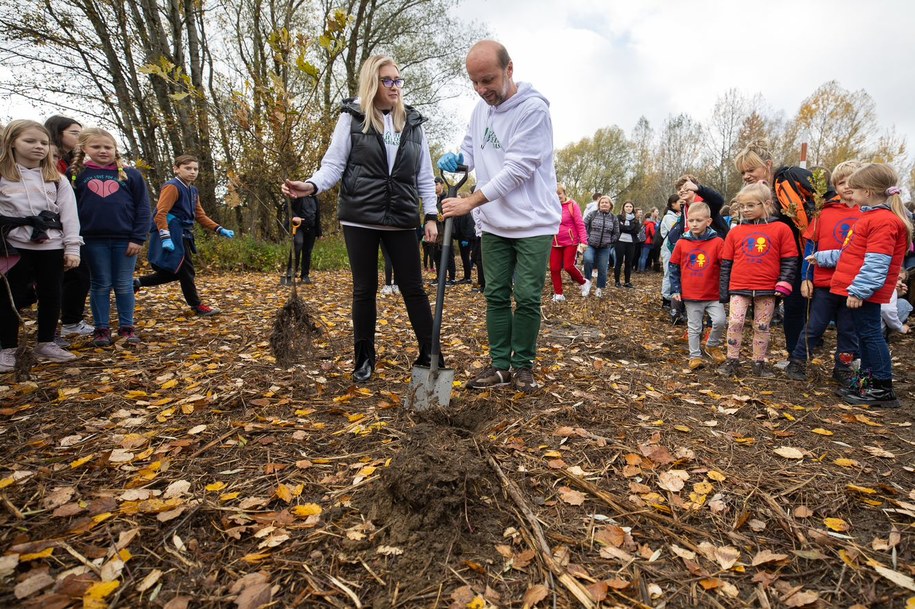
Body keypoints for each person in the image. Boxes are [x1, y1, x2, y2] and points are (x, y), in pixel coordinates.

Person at [281, 55, 440, 382]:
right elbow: (334, 165)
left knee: (413, 288)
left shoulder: (413, 123)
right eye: (388, 81)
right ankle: (364, 358)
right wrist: (310, 186)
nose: (395, 87)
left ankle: (430, 353)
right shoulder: (352, 118)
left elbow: (424, 174)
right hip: (360, 217)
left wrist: (431, 215)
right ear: (372, 84)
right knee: (364, 290)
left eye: (399, 80)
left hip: (401, 218)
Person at [438, 39, 560, 393]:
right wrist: (458, 160)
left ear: (509, 69)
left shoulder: (533, 110)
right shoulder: (481, 109)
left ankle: (522, 365)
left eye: (488, 80)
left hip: (533, 221)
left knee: (526, 294)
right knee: (494, 294)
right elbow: (470, 149)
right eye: (474, 82)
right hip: (494, 222)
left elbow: (517, 169)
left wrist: (469, 202)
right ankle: (499, 365)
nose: (481, 90)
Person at [818, 163, 911, 407]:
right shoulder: (870, 217)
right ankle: (867, 383)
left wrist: (859, 290)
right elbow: (852, 253)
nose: (849, 191)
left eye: (854, 188)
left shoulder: (883, 221)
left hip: (865, 292)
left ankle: (882, 386)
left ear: (868, 192)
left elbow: (876, 264)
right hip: (860, 289)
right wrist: (821, 257)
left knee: (871, 336)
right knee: (864, 335)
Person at [0, 120, 81, 371]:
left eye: (44, 143)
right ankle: (7, 348)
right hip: (13, 246)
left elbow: (69, 214)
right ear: (12, 142)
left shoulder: (56, 179)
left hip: (51, 245)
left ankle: (46, 341)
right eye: (30, 141)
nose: (39, 147)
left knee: (51, 294)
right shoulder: (3, 176)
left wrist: (72, 248)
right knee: (10, 297)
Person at [68, 128, 150, 346]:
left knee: (123, 284)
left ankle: (127, 327)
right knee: (100, 284)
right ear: (84, 148)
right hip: (92, 240)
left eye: (108, 147)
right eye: (96, 147)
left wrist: (138, 237)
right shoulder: (77, 174)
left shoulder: (130, 174)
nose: (103, 151)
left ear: (115, 149)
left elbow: (143, 208)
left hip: (125, 240)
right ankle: (101, 328)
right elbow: (68, 209)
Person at [785, 160, 863, 383]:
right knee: (814, 326)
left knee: (849, 331)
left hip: (854, 286)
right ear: (834, 187)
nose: (847, 186)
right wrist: (805, 278)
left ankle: (843, 367)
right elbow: (811, 247)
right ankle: (797, 361)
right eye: (841, 182)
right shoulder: (824, 214)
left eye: (852, 181)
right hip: (825, 283)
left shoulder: (867, 215)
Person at [136, 155, 234, 316]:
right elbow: (161, 213)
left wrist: (219, 229)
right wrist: (165, 237)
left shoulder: (193, 190)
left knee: (174, 272)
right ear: (176, 168)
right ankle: (197, 306)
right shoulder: (172, 187)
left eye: (195, 169)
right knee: (186, 271)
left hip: (185, 234)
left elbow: (199, 215)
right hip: (172, 233)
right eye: (187, 168)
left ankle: (138, 282)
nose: (192, 172)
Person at [734, 140, 808, 356]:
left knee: (795, 307)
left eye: (750, 170)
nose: (746, 176)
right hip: (765, 262)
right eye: (742, 173)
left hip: (794, 258)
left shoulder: (785, 187)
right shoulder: (752, 198)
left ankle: (796, 355)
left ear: (767, 165)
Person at [719, 182, 798, 378]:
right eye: (742, 206)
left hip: (767, 288)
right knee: (735, 323)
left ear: (766, 204)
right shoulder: (735, 231)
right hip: (739, 286)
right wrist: (723, 291)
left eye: (751, 205)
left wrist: (785, 282)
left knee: (762, 326)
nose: (745, 210)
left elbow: (789, 259)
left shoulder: (780, 229)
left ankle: (758, 363)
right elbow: (726, 262)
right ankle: (732, 360)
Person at [46, 116, 93, 338]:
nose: (79, 137)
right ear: (58, 132)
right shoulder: (50, 160)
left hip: (71, 226)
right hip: (48, 228)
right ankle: (61, 326)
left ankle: (69, 322)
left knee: (78, 275)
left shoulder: (71, 163)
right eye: (74, 132)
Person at [668, 202, 726, 370]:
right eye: (691, 220)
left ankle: (711, 344)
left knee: (720, 321)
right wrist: (675, 289)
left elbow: (725, 266)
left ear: (708, 221)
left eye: (698, 220)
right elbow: (673, 266)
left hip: (713, 293)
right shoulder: (682, 243)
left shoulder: (717, 242)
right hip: (691, 294)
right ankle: (695, 356)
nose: (694, 224)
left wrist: (725, 288)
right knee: (694, 327)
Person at [550, 183, 588, 302]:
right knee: (554, 268)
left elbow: (580, 224)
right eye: (555, 194)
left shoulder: (572, 205)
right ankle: (558, 294)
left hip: (570, 241)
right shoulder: (550, 205)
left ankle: (584, 282)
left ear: (564, 193)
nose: (557, 196)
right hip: (554, 241)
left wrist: (584, 241)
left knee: (568, 266)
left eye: (559, 194)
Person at [582, 195, 619, 298]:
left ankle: (599, 288)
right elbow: (583, 226)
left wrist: (610, 241)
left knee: (603, 268)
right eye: (602, 202)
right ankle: (587, 283)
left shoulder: (613, 218)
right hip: (591, 244)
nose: (604, 204)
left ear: (610, 205)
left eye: (606, 202)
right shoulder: (592, 214)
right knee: (588, 260)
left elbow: (616, 233)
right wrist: (586, 238)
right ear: (599, 204)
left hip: (605, 247)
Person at [285, 194, 321, 284]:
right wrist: (294, 216)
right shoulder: (297, 196)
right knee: (298, 243)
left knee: (307, 251)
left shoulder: (315, 199)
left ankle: (305, 275)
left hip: (311, 228)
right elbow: (287, 207)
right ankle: (291, 270)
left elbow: (317, 215)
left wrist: (319, 232)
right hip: (298, 227)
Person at [659, 194, 682, 308]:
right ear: (673, 204)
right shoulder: (668, 217)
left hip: (678, 248)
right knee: (669, 273)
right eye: (679, 203)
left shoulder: (681, 215)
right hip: (669, 248)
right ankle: (666, 298)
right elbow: (675, 229)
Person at [614, 200, 639, 288]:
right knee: (619, 262)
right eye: (627, 206)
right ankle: (617, 281)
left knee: (629, 262)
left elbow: (636, 230)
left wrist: (626, 228)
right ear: (624, 208)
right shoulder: (619, 217)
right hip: (620, 242)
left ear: (633, 208)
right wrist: (629, 228)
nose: (628, 208)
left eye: (630, 206)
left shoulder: (635, 219)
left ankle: (627, 282)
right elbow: (618, 228)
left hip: (631, 243)